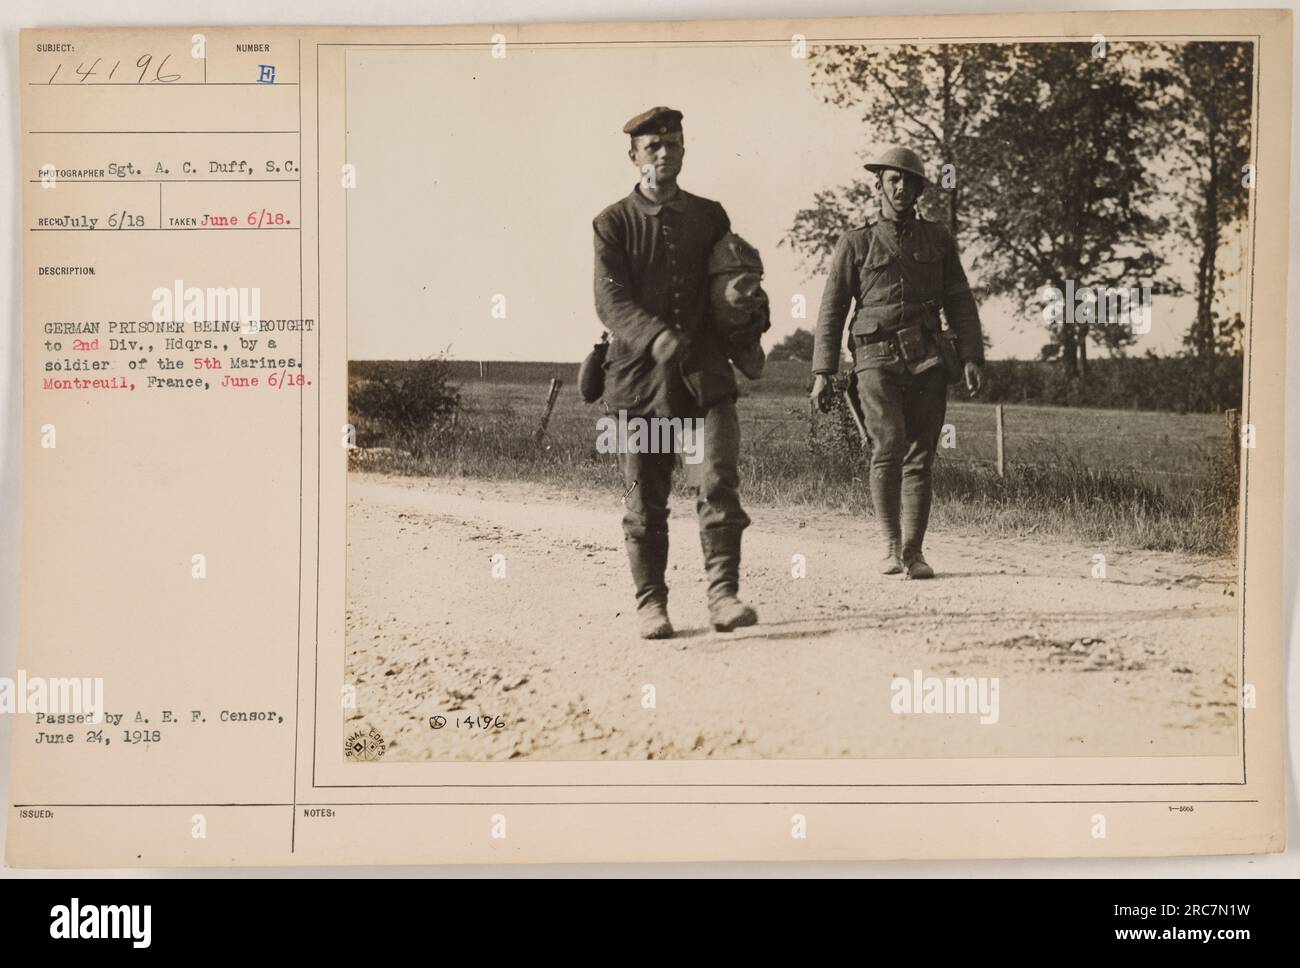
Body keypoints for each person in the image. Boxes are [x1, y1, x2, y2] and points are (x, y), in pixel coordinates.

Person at [592, 106, 759, 638]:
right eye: (653, 147)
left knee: (717, 483)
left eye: (674, 145)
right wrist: (651, 334)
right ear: (633, 157)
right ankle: (651, 604)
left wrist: (750, 311)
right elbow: (609, 299)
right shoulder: (612, 223)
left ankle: (723, 595)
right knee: (645, 499)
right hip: (640, 383)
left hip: (704, 380)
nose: (664, 154)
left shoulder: (711, 216)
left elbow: (734, 281)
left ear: (684, 150)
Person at [810, 146, 985, 579]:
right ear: (879, 185)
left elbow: (960, 299)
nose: (901, 187)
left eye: (910, 181)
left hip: (927, 358)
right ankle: (889, 546)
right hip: (874, 357)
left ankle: (914, 551)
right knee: (887, 446)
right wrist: (822, 373)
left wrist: (970, 356)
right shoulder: (856, 242)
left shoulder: (938, 239)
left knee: (921, 454)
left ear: (921, 189)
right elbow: (832, 308)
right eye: (894, 180)